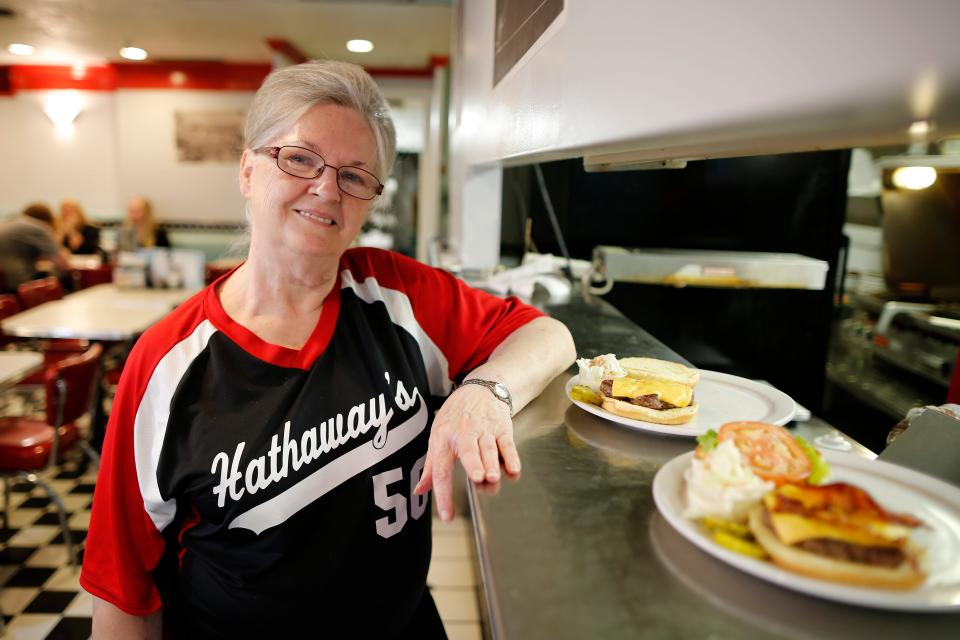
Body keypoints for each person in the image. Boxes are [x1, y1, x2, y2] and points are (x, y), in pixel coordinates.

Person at [82, 60, 575, 639]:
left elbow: (549, 336)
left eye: (355, 175)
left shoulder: (397, 295)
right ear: (247, 170)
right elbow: (123, 594)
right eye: (299, 158)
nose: (325, 188)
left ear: (369, 201)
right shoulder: (166, 365)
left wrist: (483, 392)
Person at [0, 203, 68, 293]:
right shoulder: (39, 227)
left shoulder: (8, 222)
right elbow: (62, 262)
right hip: (18, 284)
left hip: (3, 286)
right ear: (48, 220)